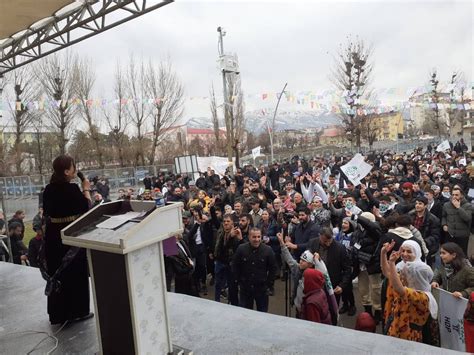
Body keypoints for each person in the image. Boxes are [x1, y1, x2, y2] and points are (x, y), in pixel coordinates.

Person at [42, 155, 92, 325]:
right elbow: (86, 208)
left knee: (57, 273)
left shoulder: (48, 189)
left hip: (53, 236)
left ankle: (58, 313)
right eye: (73, 167)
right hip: (69, 235)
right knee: (74, 272)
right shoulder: (71, 189)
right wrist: (86, 189)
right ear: (66, 171)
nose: (75, 170)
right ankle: (77, 311)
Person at [380, 240, 438, 343]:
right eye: (403, 250)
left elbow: (400, 289)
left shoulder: (423, 297)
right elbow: (388, 274)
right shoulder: (408, 283)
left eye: (409, 251)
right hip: (395, 329)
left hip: (408, 338)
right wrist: (383, 253)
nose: (402, 276)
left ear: (415, 277)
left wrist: (392, 262)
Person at [232, 227, 277, 312]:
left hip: (261, 289)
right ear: (249, 237)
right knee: (245, 314)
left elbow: (273, 269)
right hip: (245, 289)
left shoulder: (268, 250)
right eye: (254, 237)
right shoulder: (241, 249)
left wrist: (268, 284)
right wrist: (238, 281)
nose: (257, 239)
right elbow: (235, 266)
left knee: (262, 314)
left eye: (258, 237)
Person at [309, 227, 352, 308]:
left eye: (330, 241)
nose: (328, 244)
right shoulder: (312, 243)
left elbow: (347, 269)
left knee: (332, 311)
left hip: (332, 287)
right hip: (315, 285)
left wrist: (342, 285)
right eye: (325, 241)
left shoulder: (340, 248)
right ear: (319, 236)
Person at [214, 214, 242, 305]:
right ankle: (217, 303)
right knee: (218, 284)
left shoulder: (236, 233)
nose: (226, 223)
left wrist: (233, 237)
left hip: (230, 264)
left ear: (232, 223)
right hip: (220, 261)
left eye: (228, 221)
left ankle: (233, 304)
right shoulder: (220, 232)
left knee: (231, 285)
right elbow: (219, 247)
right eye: (224, 221)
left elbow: (237, 249)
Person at [442, 187, 472, 255]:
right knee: (449, 254)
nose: (454, 197)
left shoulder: (468, 206)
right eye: (453, 194)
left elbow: (467, 218)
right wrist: (444, 224)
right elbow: (444, 216)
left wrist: (458, 207)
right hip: (450, 234)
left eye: (456, 195)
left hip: (462, 236)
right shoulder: (446, 205)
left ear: (461, 195)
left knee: (461, 255)